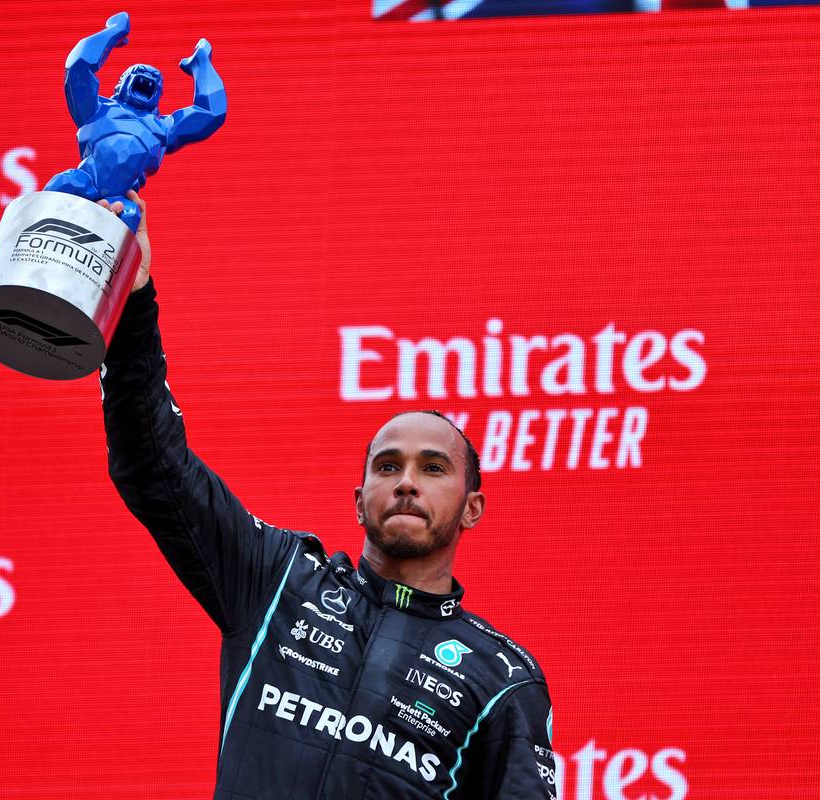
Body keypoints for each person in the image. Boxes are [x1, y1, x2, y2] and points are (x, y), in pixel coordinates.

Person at [97, 191, 557, 799]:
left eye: (435, 468)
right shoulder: (276, 581)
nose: (407, 482)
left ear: (473, 505)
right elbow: (153, 466)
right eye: (387, 466)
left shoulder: (503, 678)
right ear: (359, 497)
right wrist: (133, 299)